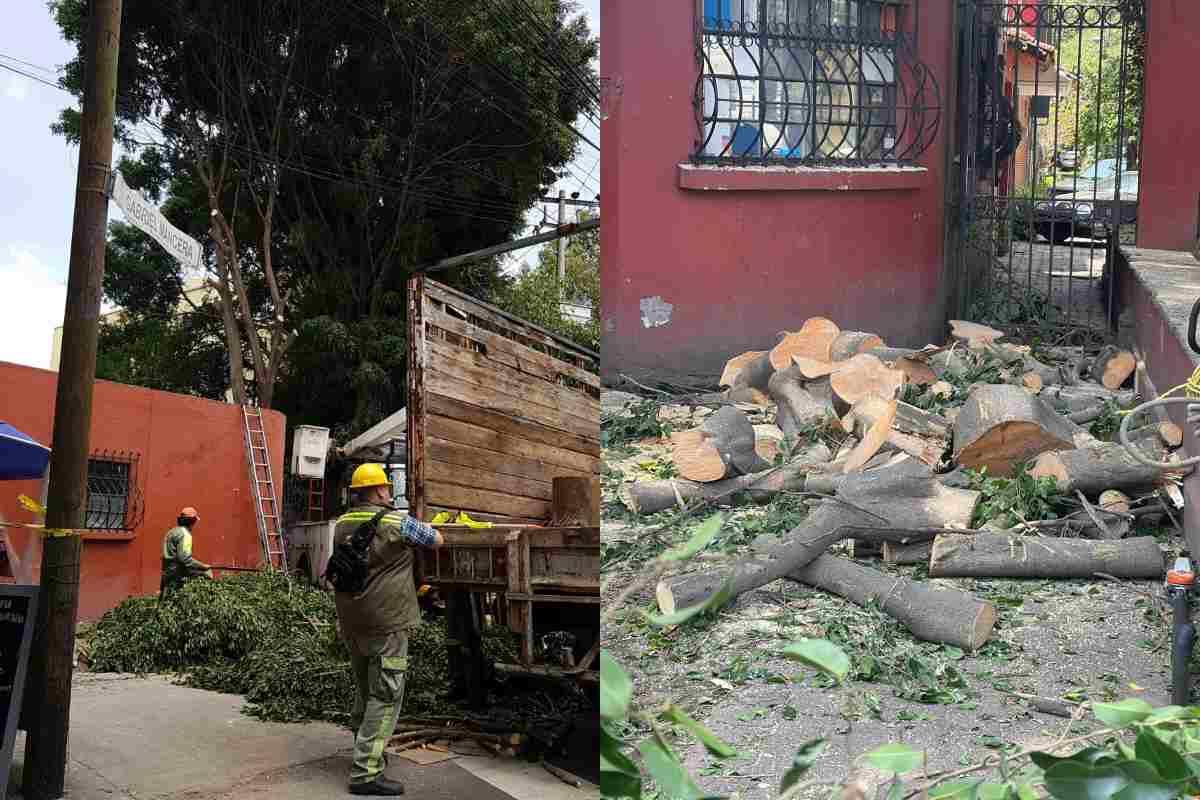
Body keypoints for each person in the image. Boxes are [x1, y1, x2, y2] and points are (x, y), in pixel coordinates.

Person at [334, 463, 444, 796]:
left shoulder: (342, 523)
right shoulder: (397, 521)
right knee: (385, 695)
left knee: (365, 689)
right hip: (388, 623)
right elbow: (436, 539)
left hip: (352, 620)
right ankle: (366, 773)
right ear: (382, 490)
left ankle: (367, 753)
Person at [160, 507, 212, 596]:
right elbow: (184, 559)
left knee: (166, 601)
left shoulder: (172, 532)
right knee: (207, 574)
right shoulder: (185, 535)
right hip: (178, 573)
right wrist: (203, 566)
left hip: (167, 571)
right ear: (192, 522)